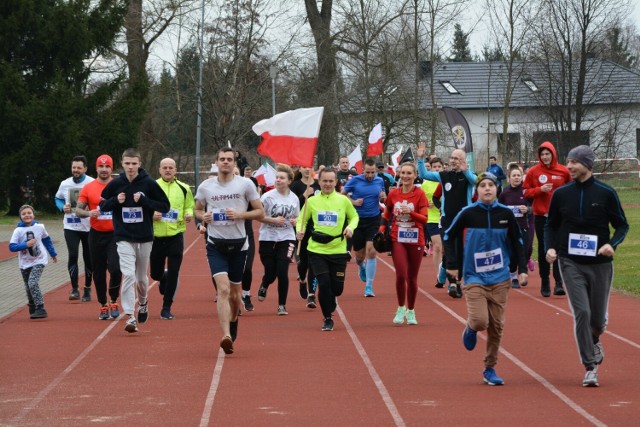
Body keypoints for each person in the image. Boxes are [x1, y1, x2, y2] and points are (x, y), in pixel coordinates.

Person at [545, 145, 628, 387]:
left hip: (600, 264)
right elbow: (550, 225)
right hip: (570, 262)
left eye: (574, 162)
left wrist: (612, 244)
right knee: (581, 312)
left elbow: (622, 226)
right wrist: (550, 248)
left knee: (597, 322)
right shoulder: (561, 194)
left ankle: (594, 337)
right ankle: (590, 366)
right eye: (568, 161)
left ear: (588, 165)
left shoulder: (606, 193)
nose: (569, 166)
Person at [444, 172, 528, 386]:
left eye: (491, 185)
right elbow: (448, 235)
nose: (488, 188)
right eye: (483, 185)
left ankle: (489, 368)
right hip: (474, 277)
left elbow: (518, 240)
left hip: (500, 277)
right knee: (481, 321)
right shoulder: (468, 213)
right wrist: (452, 264)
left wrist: (522, 268)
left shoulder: (505, 214)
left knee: (497, 326)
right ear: (477, 190)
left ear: (497, 189)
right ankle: (471, 328)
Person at [194, 147, 264, 354]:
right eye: (222, 159)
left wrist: (241, 215)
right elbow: (197, 209)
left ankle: (233, 320)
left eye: (229, 159)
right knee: (222, 289)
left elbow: (260, 211)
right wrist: (202, 217)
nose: (226, 162)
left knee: (235, 295)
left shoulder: (245, 184)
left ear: (235, 163)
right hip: (216, 244)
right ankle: (225, 335)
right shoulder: (206, 186)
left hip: (239, 244)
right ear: (216, 162)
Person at [100, 148, 170, 333]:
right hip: (123, 237)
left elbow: (165, 206)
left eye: (134, 163)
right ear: (122, 163)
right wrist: (116, 200)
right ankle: (130, 316)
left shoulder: (148, 184)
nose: (130, 167)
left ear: (139, 164)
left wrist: (146, 201)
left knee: (141, 278)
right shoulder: (115, 184)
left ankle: (144, 302)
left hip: (145, 237)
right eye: (127, 163)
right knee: (129, 275)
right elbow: (102, 205)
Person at [296, 168, 359, 331]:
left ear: (336, 182)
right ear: (319, 182)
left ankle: (331, 299)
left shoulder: (343, 200)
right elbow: (301, 219)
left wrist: (350, 227)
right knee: (324, 284)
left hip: (338, 250)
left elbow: (354, 217)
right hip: (317, 250)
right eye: (324, 181)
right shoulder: (312, 201)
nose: (328, 184)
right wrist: (299, 231)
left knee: (336, 289)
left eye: (331, 181)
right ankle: (327, 318)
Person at [417, 143, 477, 298]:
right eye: (451, 157)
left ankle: (449, 274)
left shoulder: (468, 176)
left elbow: (477, 182)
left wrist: (467, 171)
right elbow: (424, 174)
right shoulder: (443, 175)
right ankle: (453, 284)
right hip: (447, 220)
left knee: (460, 252)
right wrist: (420, 159)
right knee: (450, 251)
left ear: (464, 160)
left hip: (464, 220)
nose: (453, 160)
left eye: (457, 158)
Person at [380, 162, 428, 325]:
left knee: (412, 277)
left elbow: (424, 218)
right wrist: (381, 229)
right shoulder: (394, 194)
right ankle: (401, 307)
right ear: (399, 175)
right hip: (397, 237)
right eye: (403, 173)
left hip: (416, 239)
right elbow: (386, 214)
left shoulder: (420, 194)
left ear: (415, 175)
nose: (406, 176)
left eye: (409, 173)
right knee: (401, 275)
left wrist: (411, 213)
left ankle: (411, 310)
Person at [76, 155, 122, 320]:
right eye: (101, 167)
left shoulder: (118, 186)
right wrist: (89, 212)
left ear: (111, 169)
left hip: (115, 235)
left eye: (107, 167)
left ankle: (114, 300)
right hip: (95, 235)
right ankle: (103, 304)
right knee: (99, 272)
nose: (104, 170)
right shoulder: (88, 188)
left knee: (116, 269)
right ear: (96, 168)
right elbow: (78, 210)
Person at [523, 141, 571, 297]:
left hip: (560, 218)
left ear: (553, 154)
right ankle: (545, 282)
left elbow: (573, 189)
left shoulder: (563, 171)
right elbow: (525, 192)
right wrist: (539, 190)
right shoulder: (533, 172)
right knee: (545, 248)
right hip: (541, 217)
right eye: (542, 154)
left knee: (559, 248)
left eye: (547, 154)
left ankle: (558, 282)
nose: (545, 157)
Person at [149, 158, 194, 320]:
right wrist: (151, 215)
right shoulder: (152, 186)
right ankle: (162, 277)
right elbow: (144, 206)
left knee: (174, 271)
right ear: (159, 170)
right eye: (165, 168)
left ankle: (166, 307)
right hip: (156, 237)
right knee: (155, 274)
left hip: (176, 235)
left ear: (175, 170)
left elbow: (190, 205)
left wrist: (189, 213)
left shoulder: (184, 188)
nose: (168, 170)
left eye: (171, 168)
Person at [256, 165, 300, 315]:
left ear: (289, 181)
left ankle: (282, 305)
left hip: (287, 237)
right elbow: (258, 216)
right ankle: (264, 284)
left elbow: (297, 216)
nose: (278, 180)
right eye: (277, 178)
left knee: (282, 271)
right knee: (271, 272)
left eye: (282, 178)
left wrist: (296, 221)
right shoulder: (267, 197)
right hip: (268, 237)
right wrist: (273, 220)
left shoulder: (294, 198)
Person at [343, 158, 386, 297]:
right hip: (357, 220)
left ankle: (369, 286)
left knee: (371, 252)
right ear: (363, 170)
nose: (370, 175)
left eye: (373, 172)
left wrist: (383, 197)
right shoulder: (355, 180)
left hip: (374, 220)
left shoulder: (379, 181)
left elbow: (383, 198)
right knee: (360, 256)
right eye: (367, 172)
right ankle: (361, 266)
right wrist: (354, 202)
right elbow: (341, 195)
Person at [55, 155, 94, 301]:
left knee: (88, 258)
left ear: (85, 168)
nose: (76, 170)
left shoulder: (92, 183)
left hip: (89, 227)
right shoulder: (65, 183)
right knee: (73, 255)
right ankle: (74, 289)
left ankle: (88, 289)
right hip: (70, 225)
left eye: (79, 167)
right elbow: (57, 198)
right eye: (74, 167)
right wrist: (61, 207)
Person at [9, 205, 58, 319]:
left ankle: (40, 308)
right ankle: (32, 305)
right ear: (20, 217)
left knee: (32, 283)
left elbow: (46, 239)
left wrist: (53, 253)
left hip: (39, 260)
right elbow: (12, 247)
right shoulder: (18, 230)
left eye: (29, 213)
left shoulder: (40, 227)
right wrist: (25, 245)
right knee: (27, 286)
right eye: (24, 214)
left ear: (33, 214)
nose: (27, 215)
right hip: (24, 263)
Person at [290, 166, 321, 308]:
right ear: (300, 170)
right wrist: (304, 195)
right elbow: (292, 205)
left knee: (313, 261)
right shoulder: (295, 185)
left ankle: (311, 294)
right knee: (303, 262)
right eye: (304, 168)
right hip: (301, 226)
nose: (307, 170)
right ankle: (302, 280)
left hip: (317, 227)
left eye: (310, 167)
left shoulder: (318, 184)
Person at [498, 164, 533, 288]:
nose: (516, 178)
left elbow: (534, 207)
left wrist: (528, 209)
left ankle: (522, 273)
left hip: (523, 226)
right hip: (509, 229)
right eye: (514, 176)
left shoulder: (526, 191)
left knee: (524, 251)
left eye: (519, 175)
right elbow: (499, 208)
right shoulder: (504, 193)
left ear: (522, 177)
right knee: (512, 254)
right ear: (509, 178)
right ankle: (513, 275)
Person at [421, 157, 445, 288]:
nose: (437, 169)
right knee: (437, 246)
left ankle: (444, 271)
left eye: (439, 167)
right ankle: (438, 274)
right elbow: (421, 200)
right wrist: (426, 203)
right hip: (431, 218)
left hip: (445, 217)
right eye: (434, 167)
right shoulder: (426, 183)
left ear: (443, 168)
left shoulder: (446, 180)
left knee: (445, 249)